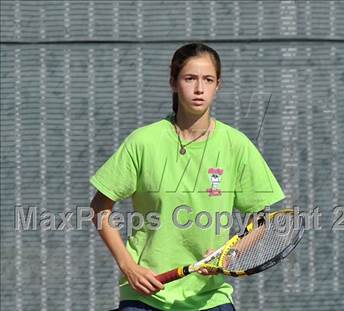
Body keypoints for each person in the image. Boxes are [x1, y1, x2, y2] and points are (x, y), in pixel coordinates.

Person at [89, 42, 285, 311]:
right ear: (173, 82)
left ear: (218, 85)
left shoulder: (236, 145)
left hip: (211, 300)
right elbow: (100, 208)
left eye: (208, 79)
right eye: (189, 78)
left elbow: (260, 220)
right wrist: (129, 267)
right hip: (144, 298)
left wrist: (229, 255)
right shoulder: (143, 142)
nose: (199, 88)